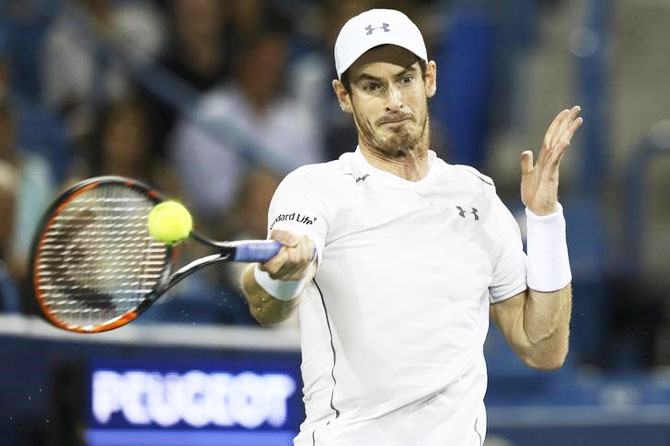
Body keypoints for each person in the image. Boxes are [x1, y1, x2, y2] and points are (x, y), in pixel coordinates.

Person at [240, 9, 582, 446]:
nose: (394, 101)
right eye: (372, 86)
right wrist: (280, 275)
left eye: (405, 79)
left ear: (430, 79)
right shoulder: (312, 190)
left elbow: (544, 348)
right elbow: (268, 307)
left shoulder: (477, 196)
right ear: (343, 96)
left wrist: (546, 219)